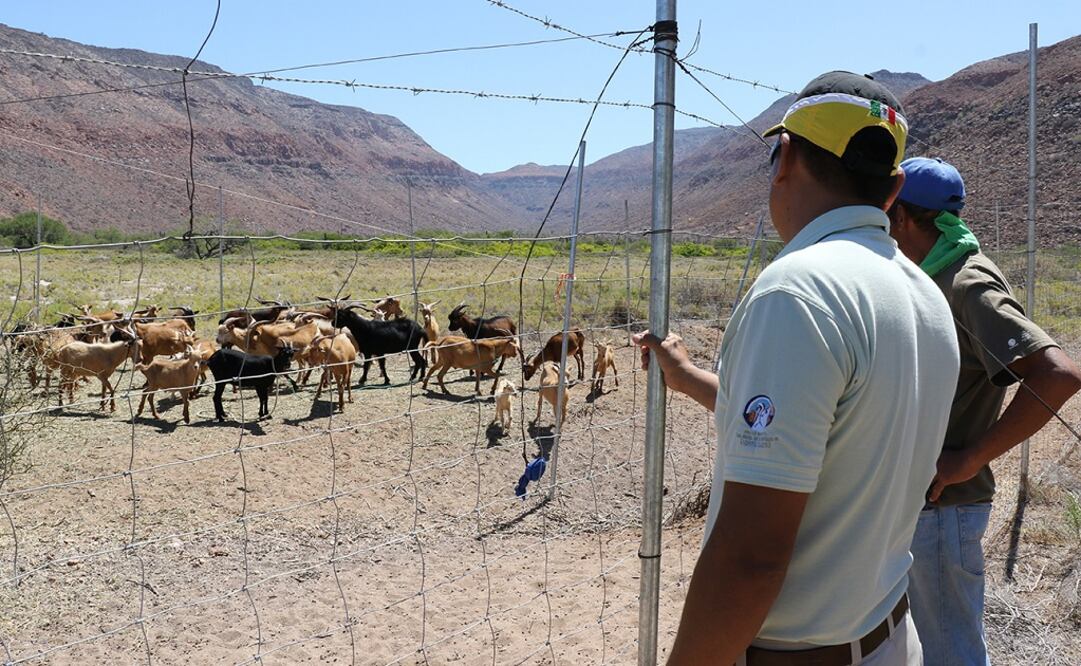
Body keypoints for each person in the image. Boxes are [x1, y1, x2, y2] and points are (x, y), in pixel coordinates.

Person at [634, 71, 961, 666]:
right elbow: (841, 432)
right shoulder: (923, 295)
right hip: (888, 634)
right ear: (890, 191)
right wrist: (689, 379)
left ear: (784, 157)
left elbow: (749, 558)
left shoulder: (797, 294)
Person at [887, 157, 1081, 665]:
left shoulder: (966, 282)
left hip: (945, 506)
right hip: (919, 504)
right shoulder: (928, 275)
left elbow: (1058, 376)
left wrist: (969, 458)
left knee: (950, 651)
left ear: (903, 217)